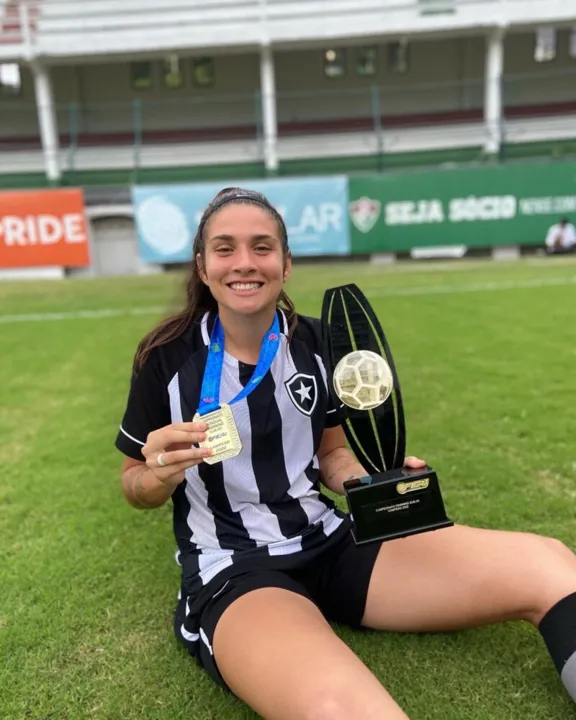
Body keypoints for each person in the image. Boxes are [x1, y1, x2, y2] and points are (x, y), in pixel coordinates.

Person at [115, 187, 576, 720]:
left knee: (551, 566)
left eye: (262, 247)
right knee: (346, 708)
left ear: (286, 264)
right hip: (234, 567)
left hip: (334, 543)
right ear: (202, 264)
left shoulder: (318, 342)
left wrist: (375, 479)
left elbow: (332, 455)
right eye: (225, 248)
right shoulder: (165, 358)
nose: (245, 262)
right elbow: (134, 485)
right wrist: (158, 474)